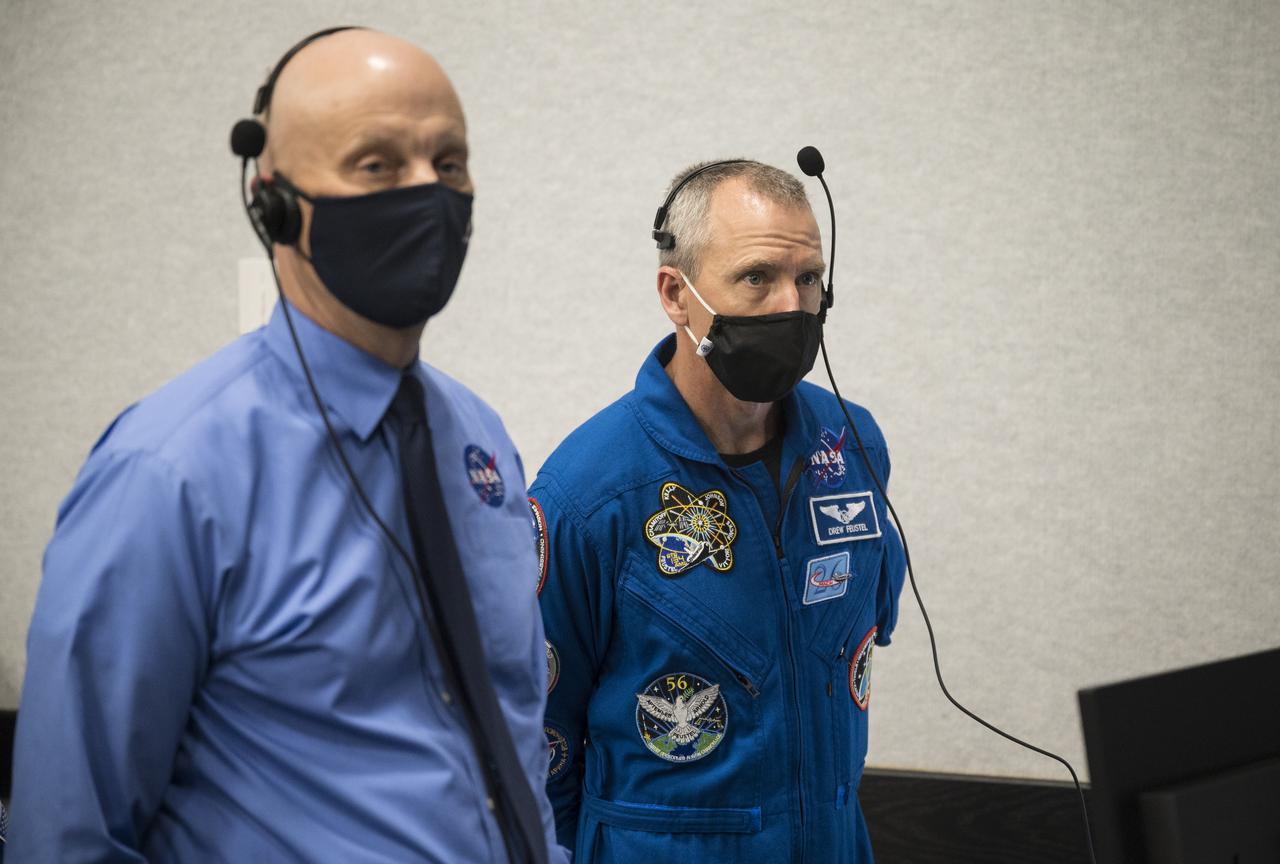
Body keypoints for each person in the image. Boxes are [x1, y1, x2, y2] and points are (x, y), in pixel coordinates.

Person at [9, 28, 567, 863]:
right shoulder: (168, 472)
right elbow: (69, 837)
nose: (428, 191)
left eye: (449, 163)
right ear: (272, 204)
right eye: (376, 164)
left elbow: (513, 736)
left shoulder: (478, 439)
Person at [531, 159, 907, 862]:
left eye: (809, 278)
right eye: (757, 277)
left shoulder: (851, 446)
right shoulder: (589, 493)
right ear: (677, 294)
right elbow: (535, 738)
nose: (792, 306)